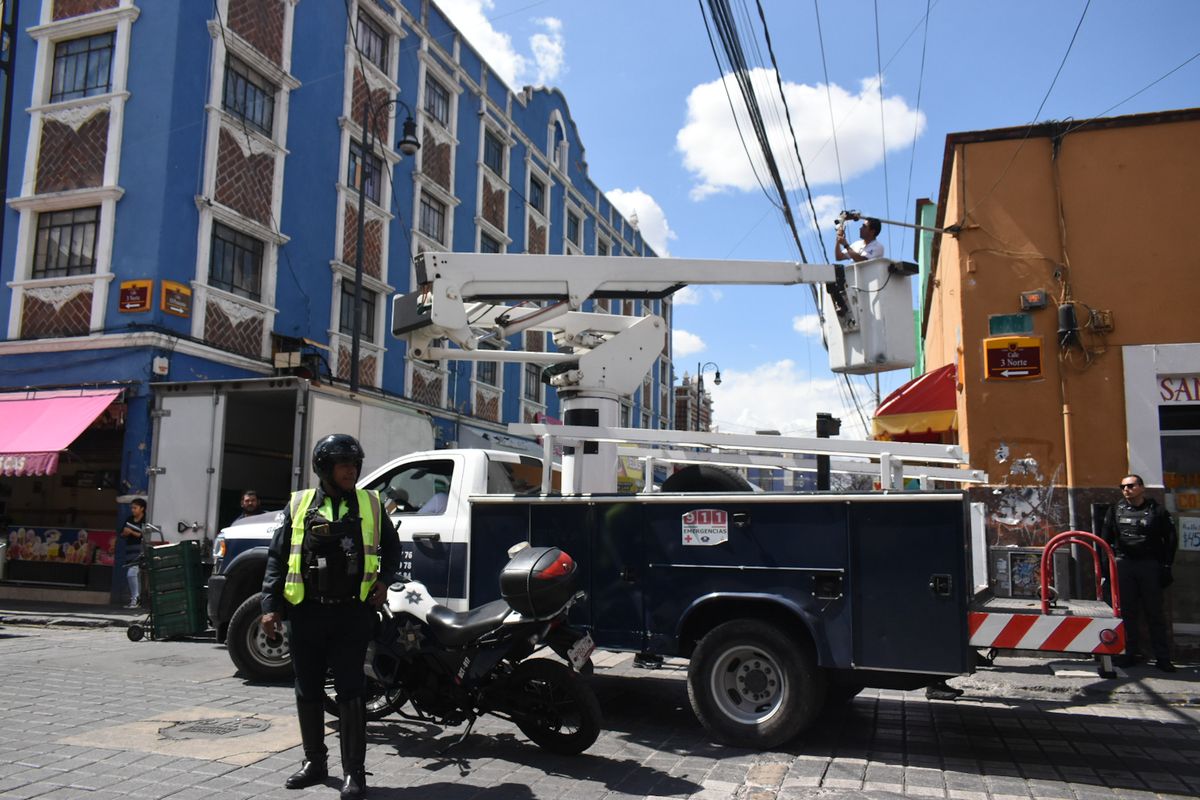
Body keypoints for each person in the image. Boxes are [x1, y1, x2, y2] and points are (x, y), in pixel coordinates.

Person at [260, 434, 400, 799]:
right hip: (306, 612)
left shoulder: (371, 503)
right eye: (344, 465)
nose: (351, 471)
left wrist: (385, 580)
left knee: (351, 691)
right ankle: (315, 763)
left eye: (355, 465)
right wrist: (269, 607)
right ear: (324, 468)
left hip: (352, 614)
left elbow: (393, 547)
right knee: (307, 688)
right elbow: (277, 558)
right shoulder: (298, 504)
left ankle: (354, 772)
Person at [1103, 474, 1178, 672]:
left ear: (1142, 488)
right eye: (1123, 487)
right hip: (1124, 564)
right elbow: (1105, 539)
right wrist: (1106, 569)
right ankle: (1129, 653)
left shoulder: (1157, 510)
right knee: (1127, 612)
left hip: (1149, 565)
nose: (1126, 490)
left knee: (1154, 612)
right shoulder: (1115, 510)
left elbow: (1170, 538)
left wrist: (1166, 565)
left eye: (1130, 486)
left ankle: (1163, 658)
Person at [119, 499, 146, 608]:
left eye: (135, 508)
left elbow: (143, 535)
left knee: (131, 573)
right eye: (132, 508)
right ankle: (136, 599)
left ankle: (135, 598)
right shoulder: (129, 519)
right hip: (130, 551)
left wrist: (131, 532)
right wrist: (125, 533)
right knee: (135, 575)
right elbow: (122, 533)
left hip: (141, 551)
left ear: (142, 508)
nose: (133, 510)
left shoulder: (146, 519)